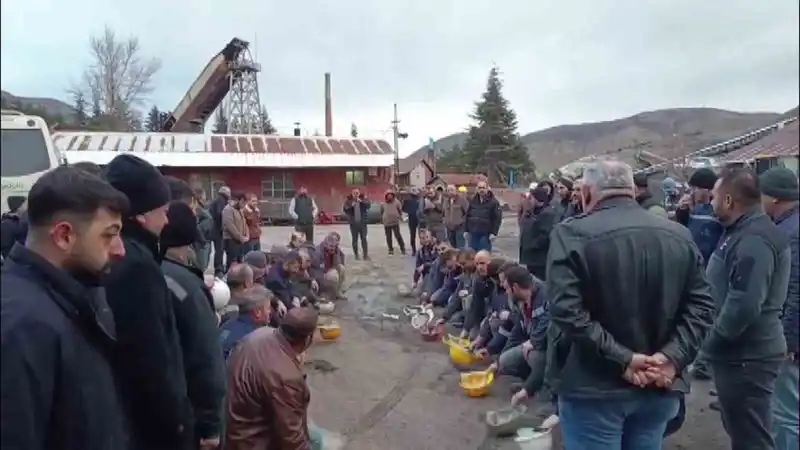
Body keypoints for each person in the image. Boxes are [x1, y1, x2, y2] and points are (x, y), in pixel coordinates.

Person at [546, 160, 715, 450]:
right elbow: (703, 306)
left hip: (594, 390)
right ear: (632, 191)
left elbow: (565, 310)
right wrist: (671, 358)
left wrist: (624, 359)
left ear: (586, 192)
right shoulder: (679, 234)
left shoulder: (571, 234)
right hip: (658, 385)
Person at [1, 166, 130, 450]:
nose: (120, 250)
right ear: (64, 235)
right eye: (109, 235)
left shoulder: (66, 301)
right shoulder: (23, 326)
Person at [103, 154, 195, 450]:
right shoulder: (137, 268)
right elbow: (152, 357)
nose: (167, 220)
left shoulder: (117, 255)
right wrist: (177, 426)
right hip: (149, 429)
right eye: (163, 211)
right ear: (142, 215)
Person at [705, 168, 791, 450]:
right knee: (743, 431)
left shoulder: (754, 239)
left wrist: (709, 345)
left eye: (714, 197)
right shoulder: (741, 232)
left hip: (747, 357)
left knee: (751, 438)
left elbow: (744, 304)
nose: (710, 202)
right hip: (739, 355)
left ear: (729, 200)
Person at [160, 201, 227, 450]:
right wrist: (211, 424)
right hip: (189, 413)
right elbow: (206, 357)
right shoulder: (185, 287)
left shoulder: (148, 271)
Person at [225, 307, 319, 450]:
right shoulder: (286, 377)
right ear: (308, 339)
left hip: (234, 428)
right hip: (251, 442)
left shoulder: (261, 333)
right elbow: (292, 440)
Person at [759, 167, 799, 450]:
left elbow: (795, 289)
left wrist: (787, 339)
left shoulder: (790, 232)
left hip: (791, 340)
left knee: (786, 416)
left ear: (773, 197)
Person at [487, 265, 551, 406]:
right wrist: (498, 363)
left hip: (549, 349)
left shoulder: (546, 297)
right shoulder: (521, 302)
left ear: (515, 287)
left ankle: (546, 396)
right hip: (534, 344)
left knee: (534, 356)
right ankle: (529, 383)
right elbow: (517, 332)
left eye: (507, 288)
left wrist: (534, 341)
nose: (506, 292)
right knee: (505, 361)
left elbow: (549, 330)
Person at [219, 285, 274, 359]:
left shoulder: (225, 326)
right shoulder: (254, 339)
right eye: (268, 308)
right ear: (257, 312)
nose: (270, 312)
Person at [519, 186, 556, 280]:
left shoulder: (546, 214)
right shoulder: (533, 212)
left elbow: (545, 236)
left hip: (539, 260)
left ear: (538, 199)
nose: (529, 201)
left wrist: (531, 244)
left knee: (538, 282)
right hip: (532, 258)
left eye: (531, 198)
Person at [464, 180, 502, 252]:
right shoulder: (472, 201)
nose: (481, 190)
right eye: (479, 188)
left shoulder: (493, 202)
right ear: (477, 189)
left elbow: (497, 219)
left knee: (483, 254)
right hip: (473, 233)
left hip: (486, 234)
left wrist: (494, 233)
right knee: (472, 254)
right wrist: (466, 230)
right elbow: (467, 216)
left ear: (487, 189)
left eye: (483, 188)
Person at [222, 192, 250, 271]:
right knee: (232, 263)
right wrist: (240, 238)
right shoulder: (228, 209)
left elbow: (244, 223)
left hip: (240, 241)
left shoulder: (240, 210)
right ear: (237, 200)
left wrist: (247, 235)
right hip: (231, 240)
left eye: (245, 203)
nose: (244, 205)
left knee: (240, 262)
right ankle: (229, 276)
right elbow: (230, 226)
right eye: (243, 203)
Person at [209, 186, 232, 276]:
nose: (230, 195)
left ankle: (219, 268)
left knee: (220, 249)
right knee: (219, 249)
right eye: (229, 193)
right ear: (226, 193)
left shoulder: (218, 200)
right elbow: (220, 213)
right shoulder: (221, 200)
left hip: (216, 229)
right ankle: (219, 269)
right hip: (218, 230)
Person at [343, 188, 370, 260]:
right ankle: (356, 255)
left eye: (357, 193)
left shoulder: (363, 198)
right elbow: (345, 209)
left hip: (362, 223)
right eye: (354, 193)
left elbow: (368, 206)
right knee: (355, 240)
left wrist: (361, 202)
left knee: (364, 239)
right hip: (353, 224)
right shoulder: (348, 200)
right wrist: (351, 206)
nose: (356, 194)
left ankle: (365, 255)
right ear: (352, 194)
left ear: (359, 193)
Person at [381, 189, 406, 255]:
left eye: (391, 195)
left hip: (395, 222)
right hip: (387, 223)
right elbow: (382, 211)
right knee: (388, 237)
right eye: (388, 195)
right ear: (386, 196)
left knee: (398, 236)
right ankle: (390, 249)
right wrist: (383, 218)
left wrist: (400, 217)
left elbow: (400, 210)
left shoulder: (397, 202)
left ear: (393, 195)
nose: (389, 196)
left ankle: (402, 248)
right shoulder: (383, 203)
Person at [402, 187, 422, 255]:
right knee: (420, 235)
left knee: (413, 235)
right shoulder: (420, 201)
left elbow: (404, 209)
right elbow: (404, 209)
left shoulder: (408, 201)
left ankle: (414, 250)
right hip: (417, 219)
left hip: (413, 219)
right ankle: (417, 250)